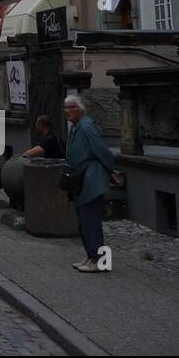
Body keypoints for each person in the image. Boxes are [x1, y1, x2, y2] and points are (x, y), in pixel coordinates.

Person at [64, 94, 121, 273]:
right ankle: (91, 256)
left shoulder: (87, 127)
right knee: (84, 221)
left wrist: (111, 171)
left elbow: (103, 152)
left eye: (71, 107)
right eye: (66, 108)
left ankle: (99, 260)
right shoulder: (76, 127)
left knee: (91, 221)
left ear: (80, 109)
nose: (67, 111)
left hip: (91, 179)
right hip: (81, 179)